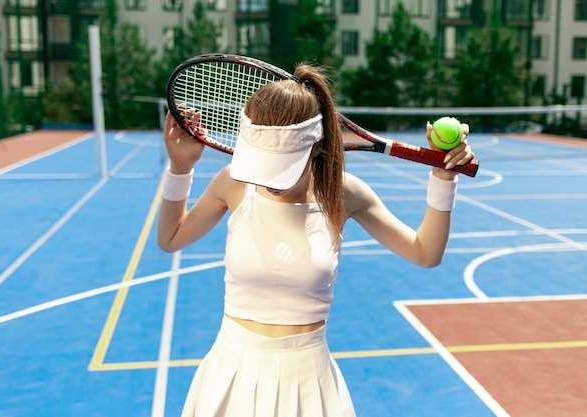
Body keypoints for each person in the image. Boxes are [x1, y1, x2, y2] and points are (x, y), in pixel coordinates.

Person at [157, 63, 475, 417]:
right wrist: (180, 168)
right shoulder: (233, 181)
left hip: (309, 381)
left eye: (280, 165)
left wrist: (443, 179)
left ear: (315, 145)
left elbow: (425, 253)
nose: (268, 179)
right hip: (231, 373)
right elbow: (170, 239)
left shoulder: (344, 194)